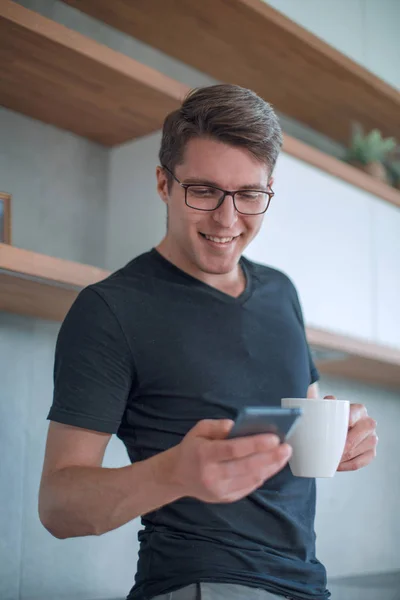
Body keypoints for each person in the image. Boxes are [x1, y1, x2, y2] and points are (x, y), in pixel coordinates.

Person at [39, 84, 378, 600]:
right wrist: (173, 473)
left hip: (306, 583)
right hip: (199, 584)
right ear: (162, 183)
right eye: (203, 191)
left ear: (269, 190)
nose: (226, 219)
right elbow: (58, 506)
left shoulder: (281, 291)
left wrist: (341, 439)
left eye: (248, 195)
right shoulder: (110, 309)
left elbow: (296, 433)